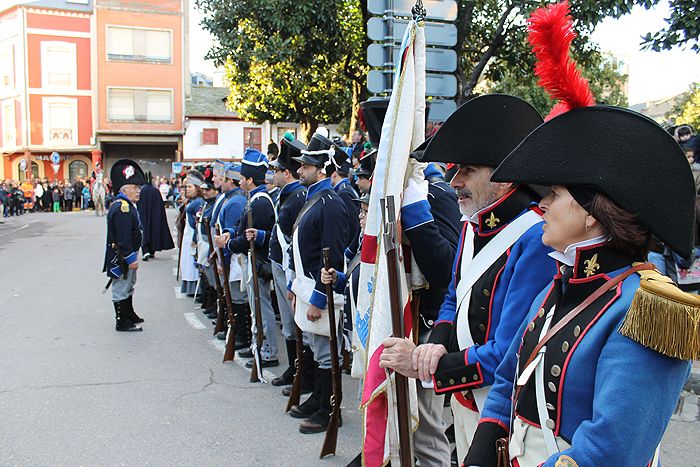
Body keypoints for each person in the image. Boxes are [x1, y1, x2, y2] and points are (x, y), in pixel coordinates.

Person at [381, 95, 557, 463]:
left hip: (503, 404)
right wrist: (438, 344)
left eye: (468, 170)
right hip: (465, 393)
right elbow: (454, 296)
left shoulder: (535, 237)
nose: (454, 181)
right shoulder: (472, 223)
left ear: (504, 178)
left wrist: (423, 363)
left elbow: (511, 351)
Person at [287, 133, 349, 434]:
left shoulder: (331, 204)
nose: (300, 171)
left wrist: (319, 299)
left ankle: (329, 409)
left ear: (322, 169)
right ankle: (318, 399)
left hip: (320, 292)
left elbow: (332, 259)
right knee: (316, 348)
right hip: (307, 287)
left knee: (327, 353)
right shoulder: (316, 198)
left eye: (307, 166)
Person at [217, 148, 278, 368]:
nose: (239, 182)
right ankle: (261, 348)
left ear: (250, 179)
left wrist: (230, 244)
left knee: (262, 309)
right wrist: (230, 235)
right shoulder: (255, 199)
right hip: (253, 262)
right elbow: (242, 229)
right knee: (256, 308)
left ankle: (268, 351)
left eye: (242, 178)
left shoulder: (260, 202)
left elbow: (248, 237)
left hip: (258, 263)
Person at [267, 134, 312, 391]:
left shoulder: (296, 197)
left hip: (290, 266)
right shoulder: (287, 195)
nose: (273, 174)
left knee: (296, 322)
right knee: (288, 321)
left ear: (287, 172)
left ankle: (302, 374)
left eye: (276, 170)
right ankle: (295, 369)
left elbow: (296, 238)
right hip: (282, 263)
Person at [103, 159, 147, 332]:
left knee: (129, 284)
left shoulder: (128, 205)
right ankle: (122, 321)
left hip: (126, 253)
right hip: (121, 255)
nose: (138, 191)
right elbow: (123, 237)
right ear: (125, 189)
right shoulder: (123, 208)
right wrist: (130, 258)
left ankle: (129, 313)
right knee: (121, 286)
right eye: (135, 187)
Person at [137, 173, 175, 261]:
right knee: (154, 231)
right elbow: (160, 205)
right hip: (155, 215)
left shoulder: (142, 190)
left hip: (143, 214)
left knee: (144, 231)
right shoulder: (155, 190)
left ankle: (145, 251)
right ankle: (152, 251)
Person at [179, 171, 206, 296]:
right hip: (188, 234)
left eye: (190, 187)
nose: (187, 189)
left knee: (192, 263)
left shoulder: (199, 202)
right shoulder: (193, 200)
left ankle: (196, 287)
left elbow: (197, 223)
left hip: (192, 235)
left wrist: (195, 238)